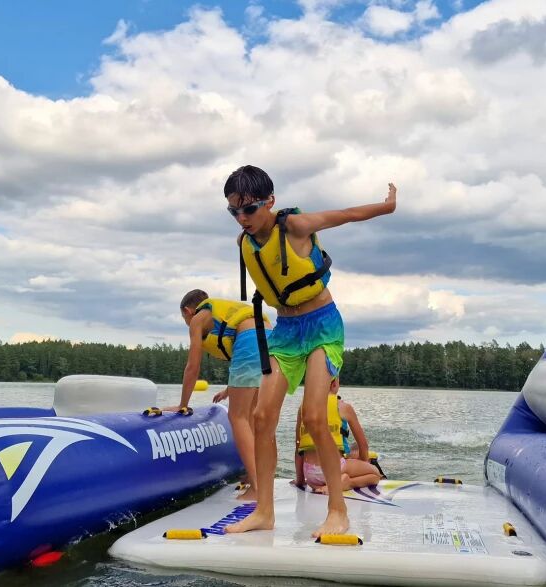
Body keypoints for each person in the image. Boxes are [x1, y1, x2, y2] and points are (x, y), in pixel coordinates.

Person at [222, 165, 396, 538]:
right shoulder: (244, 243)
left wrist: (387, 206)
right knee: (262, 417)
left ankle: (337, 510)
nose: (242, 218)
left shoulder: (295, 227)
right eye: (233, 211)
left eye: (249, 209)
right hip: (286, 331)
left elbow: (347, 215)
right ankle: (264, 512)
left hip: (321, 325)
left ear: (270, 201)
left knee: (316, 417)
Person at [169, 290, 268, 500]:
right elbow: (245, 356)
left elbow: (192, 367)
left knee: (237, 417)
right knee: (251, 417)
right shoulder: (221, 312)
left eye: (184, 318)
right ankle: (255, 476)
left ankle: (258, 489)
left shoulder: (198, 319)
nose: (187, 323)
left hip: (250, 339)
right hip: (270, 336)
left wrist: (182, 405)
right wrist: (229, 390)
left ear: (188, 311)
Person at [293, 379, 380, 494]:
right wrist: (363, 465)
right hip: (335, 469)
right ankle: (347, 483)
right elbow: (363, 445)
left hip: (310, 475)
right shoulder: (344, 407)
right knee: (375, 474)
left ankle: (325, 484)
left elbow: (298, 447)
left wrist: (300, 480)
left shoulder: (303, 408)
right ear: (334, 384)